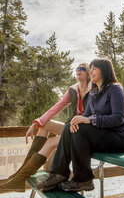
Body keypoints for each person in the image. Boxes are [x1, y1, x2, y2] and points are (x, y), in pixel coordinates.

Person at [37, 58, 124, 193]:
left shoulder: (116, 89)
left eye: (94, 69)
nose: (91, 72)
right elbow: (85, 117)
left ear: (104, 71)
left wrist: (90, 120)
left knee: (80, 128)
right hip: (101, 136)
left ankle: (83, 179)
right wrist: (77, 121)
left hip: (120, 138)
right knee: (70, 126)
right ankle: (59, 174)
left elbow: (118, 118)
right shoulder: (93, 93)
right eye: (91, 69)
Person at [0, 63, 91, 192]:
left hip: (84, 132)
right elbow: (56, 107)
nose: (78, 71)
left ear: (88, 73)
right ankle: (20, 175)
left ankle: (20, 177)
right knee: (45, 124)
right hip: (72, 127)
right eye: (77, 69)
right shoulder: (73, 90)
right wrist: (37, 122)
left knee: (50, 142)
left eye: (82, 69)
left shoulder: (94, 89)